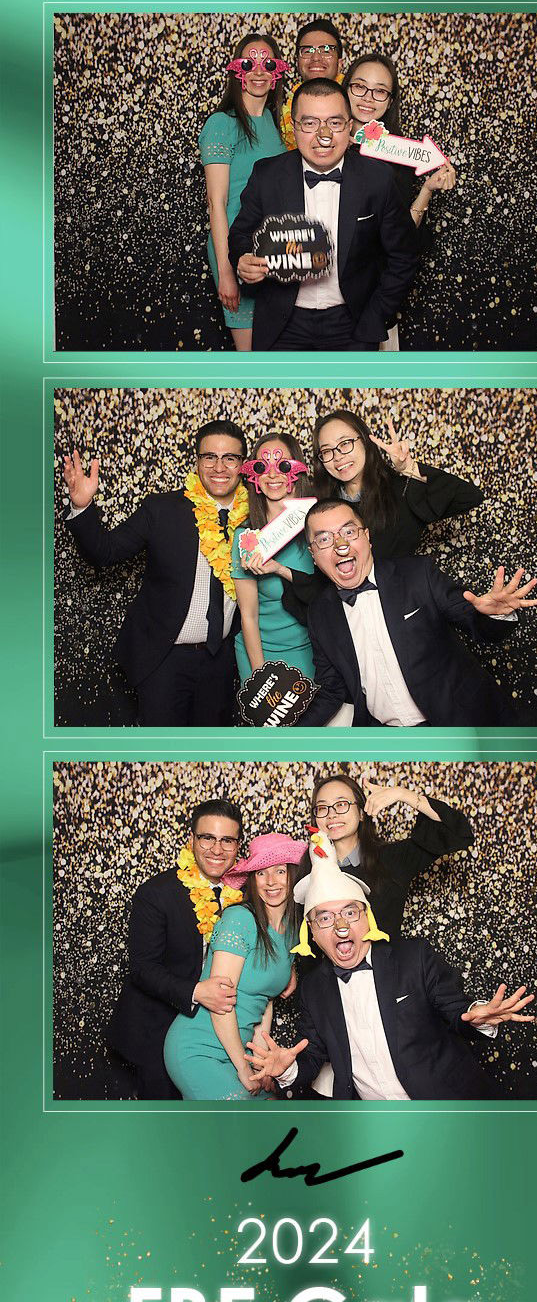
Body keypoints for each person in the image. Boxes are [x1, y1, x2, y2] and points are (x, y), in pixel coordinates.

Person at [247, 835, 535, 1101]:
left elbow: (456, 1009)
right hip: (378, 1126)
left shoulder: (413, 958)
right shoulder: (313, 989)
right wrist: (286, 1070)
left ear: (367, 917)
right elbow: (311, 1056)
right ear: (311, 930)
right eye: (325, 918)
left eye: (350, 912)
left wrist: (477, 1017)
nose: (340, 926)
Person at [62, 421, 250, 726]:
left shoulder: (255, 515)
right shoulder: (161, 509)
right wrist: (82, 507)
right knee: (162, 746)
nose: (219, 467)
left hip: (222, 662)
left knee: (212, 747)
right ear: (197, 461)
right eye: (209, 457)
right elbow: (105, 552)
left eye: (230, 458)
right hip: (164, 661)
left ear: (243, 464)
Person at [301, 501, 537, 727]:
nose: (340, 545)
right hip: (389, 740)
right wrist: (288, 736)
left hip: (460, 724)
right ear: (313, 555)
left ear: (367, 537)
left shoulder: (418, 574)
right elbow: (331, 688)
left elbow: (477, 625)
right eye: (324, 539)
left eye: (349, 532)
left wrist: (496, 615)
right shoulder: (320, 613)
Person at [227, 80, 420, 352]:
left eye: (335, 123)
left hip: (353, 325)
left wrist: (375, 316)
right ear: (294, 127)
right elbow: (240, 235)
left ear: (350, 126)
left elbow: (403, 256)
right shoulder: (267, 175)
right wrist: (243, 259)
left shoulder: (377, 178)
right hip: (282, 324)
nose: (323, 135)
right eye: (310, 123)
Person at [107, 799, 244, 1100]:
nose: (217, 849)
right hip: (156, 1029)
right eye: (207, 838)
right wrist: (197, 991)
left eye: (227, 840)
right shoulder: (156, 893)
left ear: (238, 846)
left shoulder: (246, 894)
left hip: (219, 1032)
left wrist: (288, 970)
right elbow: (143, 968)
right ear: (191, 839)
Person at [164, 834, 305, 1100]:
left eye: (280, 871)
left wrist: (259, 1063)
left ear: (293, 875)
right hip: (199, 1047)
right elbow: (220, 1000)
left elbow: (264, 1002)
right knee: (241, 1118)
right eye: (261, 873)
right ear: (252, 879)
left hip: (241, 1049)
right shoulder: (239, 919)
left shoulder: (292, 932)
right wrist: (242, 1067)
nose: (270, 881)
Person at [199, 32, 288, 351]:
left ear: (277, 73)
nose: (259, 71)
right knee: (251, 355)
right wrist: (226, 271)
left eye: (268, 63)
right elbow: (217, 202)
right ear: (237, 71)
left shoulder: (275, 124)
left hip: (276, 254)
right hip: (237, 252)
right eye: (249, 64)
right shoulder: (222, 124)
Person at [307, 769, 474, 940]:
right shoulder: (309, 866)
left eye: (341, 804)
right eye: (322, 808)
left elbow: (457, 832)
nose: (332, 814)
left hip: (388, 957)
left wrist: (403, 794)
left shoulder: (393, 859)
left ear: (362, 813)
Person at [313, 406, 484, 561]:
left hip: (400, 585)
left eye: (345, 443)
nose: (338, 456)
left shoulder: (401, 491)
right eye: (327, 451)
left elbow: (469, 497)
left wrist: (410, 468)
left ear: (365, 441)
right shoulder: (321, 507)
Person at [231, 430, 316, 687]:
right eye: (262, 466)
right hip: (261, 652)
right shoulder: (246, 538)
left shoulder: (319, 525)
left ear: (297, 468)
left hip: (314, 651)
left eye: (282, 465)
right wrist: (261, 677)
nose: (272, 474)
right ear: (253, 475)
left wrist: (279, 568)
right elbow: (248, 616)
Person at [342, 51, 457, 227]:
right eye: (359, 86)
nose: (368, 97)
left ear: (390, 101)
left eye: (380, 91)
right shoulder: (323, 144)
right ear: (345, 90)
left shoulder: (399, 157)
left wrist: (427, 189)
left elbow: (403, 235)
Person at [280, 17, 344, 149]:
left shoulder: (358, 104)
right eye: (308, 51)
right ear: (297, 62)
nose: (316, 58)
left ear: (340, 63)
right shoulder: (277, 110)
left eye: (326, 50)